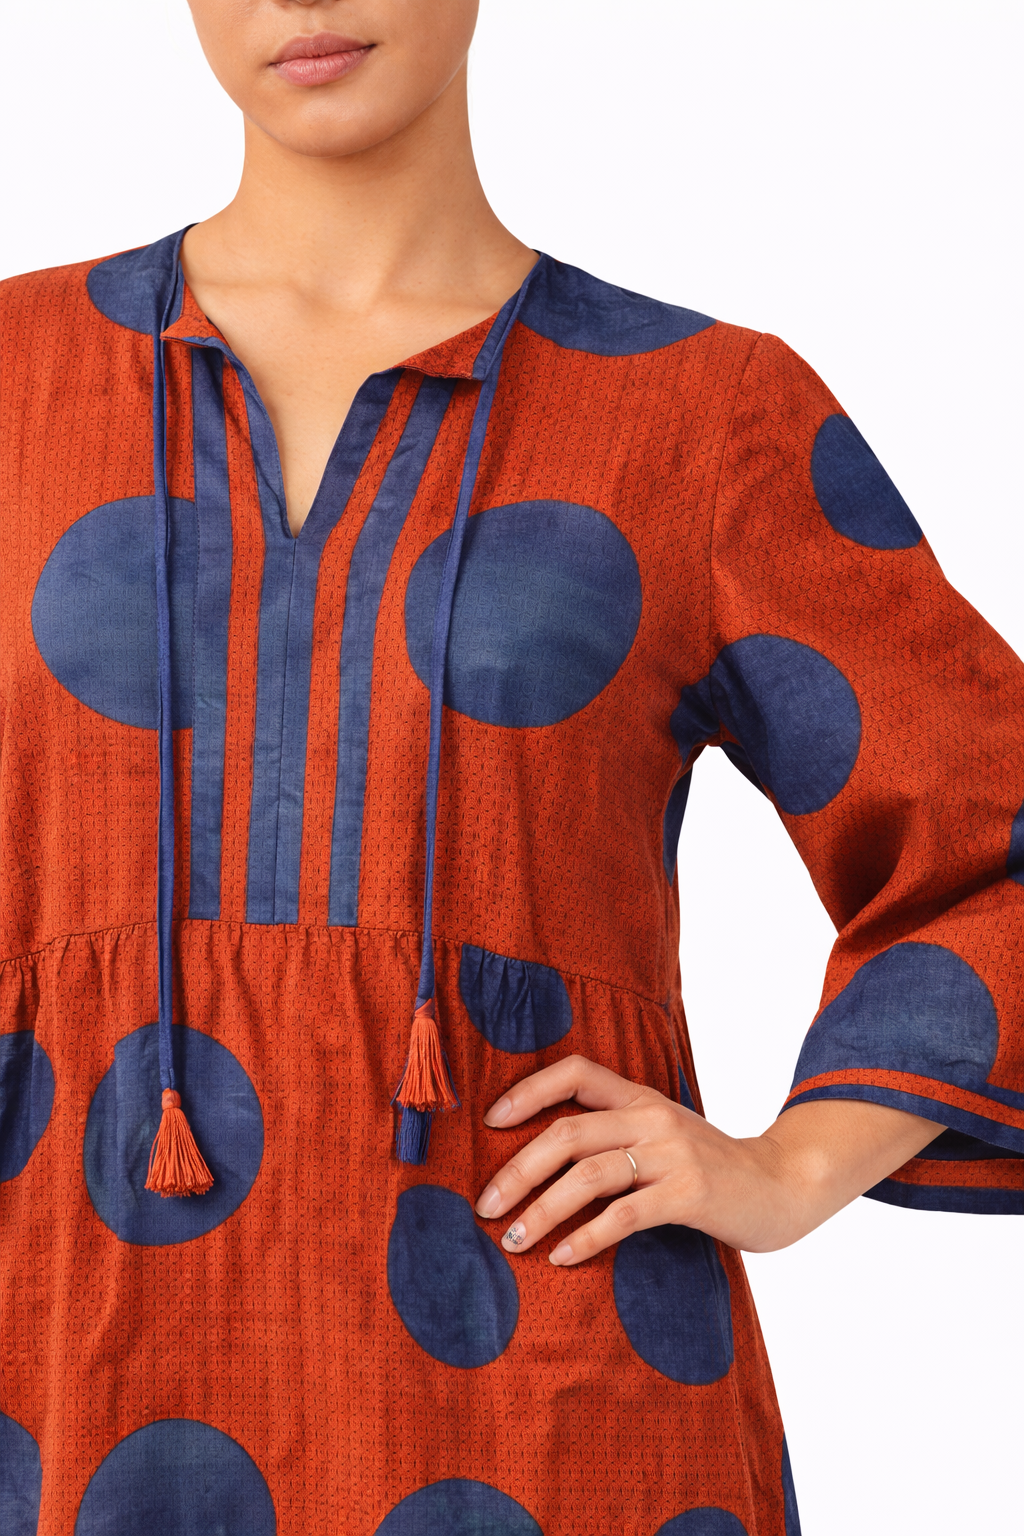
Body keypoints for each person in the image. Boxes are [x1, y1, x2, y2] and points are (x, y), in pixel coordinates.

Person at [1, 1, 1021, 1532]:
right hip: (62, 1355)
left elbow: (993, 846)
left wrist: (795, 1166)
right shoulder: (15, 378)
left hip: (547, 1399)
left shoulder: (701, 414)